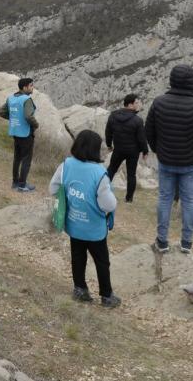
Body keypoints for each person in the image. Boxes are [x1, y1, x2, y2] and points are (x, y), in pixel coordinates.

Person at [145, 65, 193, 254]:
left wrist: (157, 150)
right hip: (190, 162)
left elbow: (148, 131)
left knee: (165, 199)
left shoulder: (159, 102)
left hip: (166, 161)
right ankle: (186, 243)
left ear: (172, 80)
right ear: (192, 83)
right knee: (188, 201)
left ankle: (162, 241)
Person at [49, 130, 121, 308]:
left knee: (77, 257)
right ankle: (106, 296)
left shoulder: (66, 165)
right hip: (94, 229)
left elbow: (53, 189)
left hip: (74, 223)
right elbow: (108, 204)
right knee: (102, 261)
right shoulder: (99, 173)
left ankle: (80, 289)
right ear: (94, 149)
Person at [105, 94, 149, 203]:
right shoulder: (137, 120)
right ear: (130, 105)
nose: (138, 105)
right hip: (132, 152)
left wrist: (109, 145)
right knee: (131, 174)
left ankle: (102, 191)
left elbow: (108, 132)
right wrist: (145, 151)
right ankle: (129, 199)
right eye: (136, 103)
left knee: (111, 170)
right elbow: (141, 138)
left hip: (118, 149)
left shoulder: (113, 116)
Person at [0, 77, 39, 192]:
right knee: (26, 159)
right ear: (25, 87)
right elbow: (28, 116)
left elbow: (2, 112)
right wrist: (36, 125)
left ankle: (15, 182)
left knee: (17, 158)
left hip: (15, 132)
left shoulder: (11, 98)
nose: (33, 88)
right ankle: (22, 185)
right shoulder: (27, 99)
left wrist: (13, 118)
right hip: (26, 133)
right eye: (31, 85)